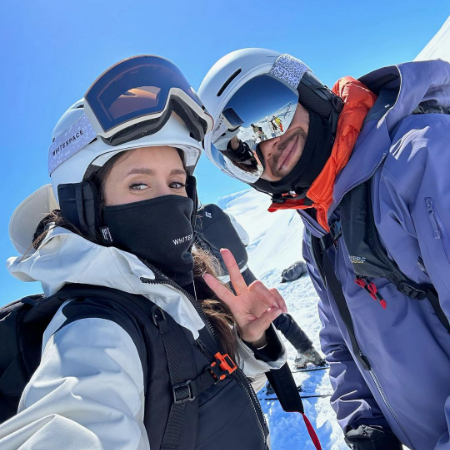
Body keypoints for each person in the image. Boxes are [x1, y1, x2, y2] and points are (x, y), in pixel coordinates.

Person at [0, 55, 289, 450]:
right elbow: (75, 419)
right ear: (91, 206)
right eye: (139, 185)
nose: (168, 201)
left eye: (175, 183)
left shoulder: (175, 297)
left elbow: (210, 396)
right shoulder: (96, 328)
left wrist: (252, 341)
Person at [198, 49, 450, 449]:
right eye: (240, 150)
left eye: (267, 111)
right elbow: (343, 342)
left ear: (305, 89)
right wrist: (365, 426)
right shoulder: (319, 230)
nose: (266, 147)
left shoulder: (424, 158)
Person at [195, 202, 325, 368]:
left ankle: (270, 374)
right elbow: (244, 239)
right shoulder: (216, 211)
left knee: (247, 327)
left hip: (220, 280)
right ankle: (307, 350)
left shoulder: (186, 223)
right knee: (269, 311)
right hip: (243, 268)